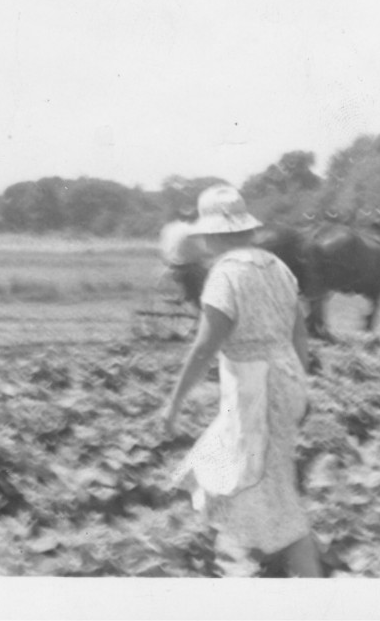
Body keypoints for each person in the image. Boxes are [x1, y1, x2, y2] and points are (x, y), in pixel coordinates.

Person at [161, 184, 322, 577]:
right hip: (283, 380)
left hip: (255, 388)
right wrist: (296, 385)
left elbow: (204, 347)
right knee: (217, 464)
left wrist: (174, 404)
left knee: (266, 491)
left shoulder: (225, 274)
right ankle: (245, 553)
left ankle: (273, 573)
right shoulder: (277, 266)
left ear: (211, 234)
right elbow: (299, 334)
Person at [158, 207, 210, 308]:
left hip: (170, 264)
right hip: (187, 266)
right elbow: (202, 251)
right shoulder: (191, 229)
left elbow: (162, 249)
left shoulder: (168, 228)